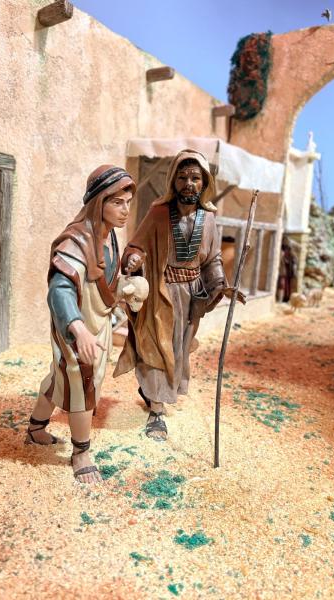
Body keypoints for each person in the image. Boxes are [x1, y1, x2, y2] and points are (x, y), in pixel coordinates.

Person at [26, 165, 136, 484]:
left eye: (128, 202)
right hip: (77, 329)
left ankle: (35, 429)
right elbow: (59, 291)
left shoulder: (110, 236)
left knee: (58, 377)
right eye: (117, 202)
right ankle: (81, 453)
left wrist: (126, 292)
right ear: (99, 202)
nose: (125, 210)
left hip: (98, 324)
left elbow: (104, 284)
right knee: (82, 385)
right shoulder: (75, 242)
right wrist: (78, 328)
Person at [114, 149, 228, 441]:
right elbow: (136, 245)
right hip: (161, 293)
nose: (188, 183)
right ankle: (156, 412)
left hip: (191, 298)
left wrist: (220, 285)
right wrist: (133, 258)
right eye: (182, 177)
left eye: (195, 178)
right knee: (156, 348)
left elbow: (213, 259)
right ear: (173, 181)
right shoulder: (159, 213)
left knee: (177, 352)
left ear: (204, 182)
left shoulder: (209, 219)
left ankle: (155, 393)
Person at [276, 235, 298, 302]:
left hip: (288, 272)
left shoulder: (291, 252)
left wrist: (290, 263)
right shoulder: (281, 251)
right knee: (282, 285)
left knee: (287, 285)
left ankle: (285, 298)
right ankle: (281, 298)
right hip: (282, 271)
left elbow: (294, 260)